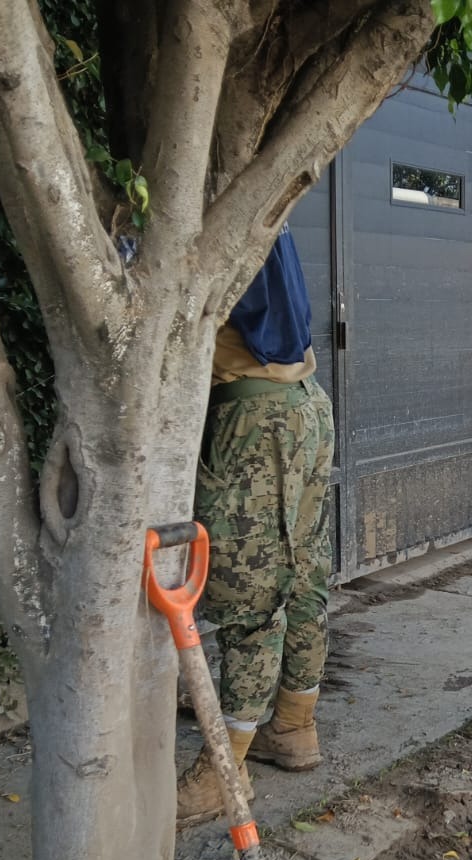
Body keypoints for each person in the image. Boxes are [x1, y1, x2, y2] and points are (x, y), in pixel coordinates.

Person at [176, 226, 336, 827]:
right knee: (302, 581)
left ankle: (224, 771)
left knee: (251, 599)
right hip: (305, 404)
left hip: (252, 415)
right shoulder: (269, 214)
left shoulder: (212, 214)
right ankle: (293, 727)